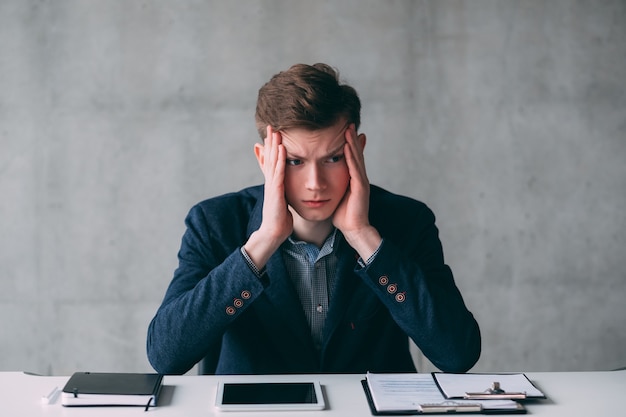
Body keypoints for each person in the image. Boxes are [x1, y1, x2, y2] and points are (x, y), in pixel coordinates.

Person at [146, 63, 481, 375]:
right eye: (294, 162)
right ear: (264, 159)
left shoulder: (407, 221)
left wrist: (364, 237)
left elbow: (457, 354)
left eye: (333, 158)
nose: (315, 183)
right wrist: (261, 244)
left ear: (357, 152)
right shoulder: (215, 222)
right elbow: (166, 356)